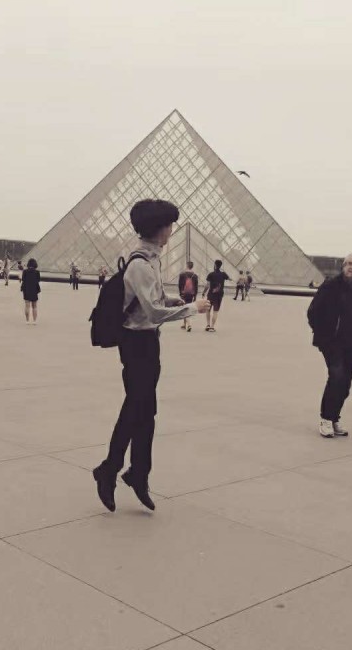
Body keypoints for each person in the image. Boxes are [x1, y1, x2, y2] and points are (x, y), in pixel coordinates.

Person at [92, 199, 210, 513]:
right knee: (136, 409)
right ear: (159, 229)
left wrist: (175, 300)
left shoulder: (151, 260)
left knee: (146, 411)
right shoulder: (141, 265)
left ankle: (137, 473)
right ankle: (112, 469)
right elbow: (153, 312)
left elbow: (153, 299)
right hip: (136, 344)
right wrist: (192, 308)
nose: (172, 231)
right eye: (169, 225)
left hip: (147, 343)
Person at [307, 253, 352, 438]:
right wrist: (324, 335)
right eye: (350, 263)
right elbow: (313, 312)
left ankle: (334, 417)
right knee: (336, 377)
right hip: (332, 342)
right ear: (344, 266)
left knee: (346, 384)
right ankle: (326, 419)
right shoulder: (331, 285)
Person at [203, 260, 229, 332]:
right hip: (219, 295)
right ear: (220, 266)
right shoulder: (223, 274)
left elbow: (207, 285)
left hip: (210, 295)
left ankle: (208, 325)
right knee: (215, 311)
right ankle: (212, 327)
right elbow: (229, 278)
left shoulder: (210, 274)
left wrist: (203, 292)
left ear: (214, 265)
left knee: (208, 310)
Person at [178, 261, 199, 331]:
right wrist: (195, 296)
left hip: (184, 293)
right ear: (192, 266)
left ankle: (189, 324)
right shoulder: (195, 275)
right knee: (187, 307)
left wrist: (180, 293)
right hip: (191, 294)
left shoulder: (182, 274)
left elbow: (179, 285)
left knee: (185, 308)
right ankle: (184, 324)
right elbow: (196, 286)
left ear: (187, 266)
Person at [21, 258, 41, 323]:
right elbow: (38, 280)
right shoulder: (37, 272)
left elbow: (23, 280)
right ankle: (34, 321)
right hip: (34, 289)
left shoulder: (25, 271)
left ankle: (27, 320)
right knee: (34, 306)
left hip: (26, 289)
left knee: (27, 306)